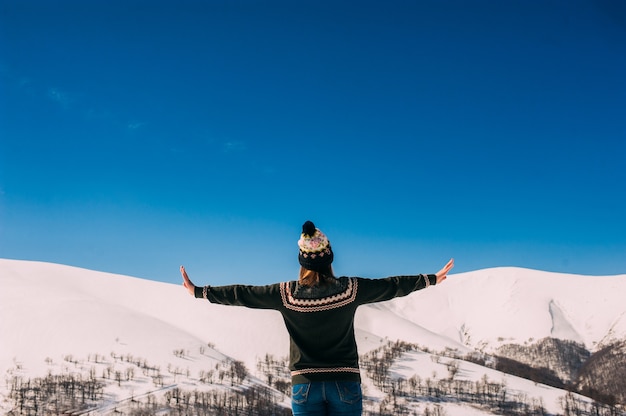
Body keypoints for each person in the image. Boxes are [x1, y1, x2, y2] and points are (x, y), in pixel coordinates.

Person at [181, 220, 454, 416]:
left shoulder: (286, 294)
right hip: (345, 383)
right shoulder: (350, 289)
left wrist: (199, 291)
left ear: (302, 263)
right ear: (329, 260)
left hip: (305, 386)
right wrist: (429, 279)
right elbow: (391, 285)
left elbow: (243, 294)